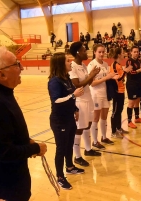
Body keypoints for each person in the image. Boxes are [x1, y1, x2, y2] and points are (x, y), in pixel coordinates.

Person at [0, 47, 47, 201]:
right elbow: (4, 151)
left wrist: (26, 141)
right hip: (7, 186)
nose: (22, 68)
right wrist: (34, 148)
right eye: (16, 64)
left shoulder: (5, 95)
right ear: (2, 74)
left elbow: (7, 134)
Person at [48, 52, 85, 190]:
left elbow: (70, 97)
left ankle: (69, 167)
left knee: (69, 144)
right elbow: (56, 100)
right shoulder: (54, 81)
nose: (70, 62)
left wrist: (75, 109)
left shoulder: (67, 78)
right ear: (60, 64)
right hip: (59, 121)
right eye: (67, 60)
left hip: (69, 118)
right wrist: (73, 95)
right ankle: (60, 177)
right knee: (61, 148)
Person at [69, 42, 101, 168]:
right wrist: (91, 76)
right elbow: (77, 84)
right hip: (80, 102)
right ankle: (77, 156)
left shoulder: (82, 65)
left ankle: (88, 149)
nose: (86, 52)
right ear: (77, 52)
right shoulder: (73, 66)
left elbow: (87, 82)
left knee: (87, 125)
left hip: (88, 98)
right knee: (79, 128)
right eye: (83, 50)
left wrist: (92, 75)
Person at [88, 44, 116, 146]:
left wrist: (114, 77)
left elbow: (107, 78)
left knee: (104, 116)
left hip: (105, 93)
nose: (101, 54)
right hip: (96, 94)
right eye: (99, 52)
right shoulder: (92, 65)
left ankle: (104, 137)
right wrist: (107, 77)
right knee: (95, 118)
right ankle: (95, 141)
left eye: (103, 52)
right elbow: (92, 83)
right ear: (94, 52)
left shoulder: (105, 64)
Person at [109, 48, 132, 137]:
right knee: (115, 111)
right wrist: (125, 71)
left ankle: (118, 128)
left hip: (121, 90)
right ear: (118, 55)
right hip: (116, 91)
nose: (124, 54)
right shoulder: (114, 65)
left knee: (120, 110)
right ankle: (113, 132)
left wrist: (124, 71)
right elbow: (118, 78)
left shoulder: (119, 65)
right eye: (122, 53)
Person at [125, 46, 141, 128]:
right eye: (134, 51)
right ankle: (129, 121)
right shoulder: (129, 61)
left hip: (139, 84)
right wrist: (140, 70)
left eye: (137, 51)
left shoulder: (139, 61)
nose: (136, 53)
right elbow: (131, 72)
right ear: (131, 52)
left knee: (137, 100)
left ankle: (137, 117)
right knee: (131, 103)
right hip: (132, 85)